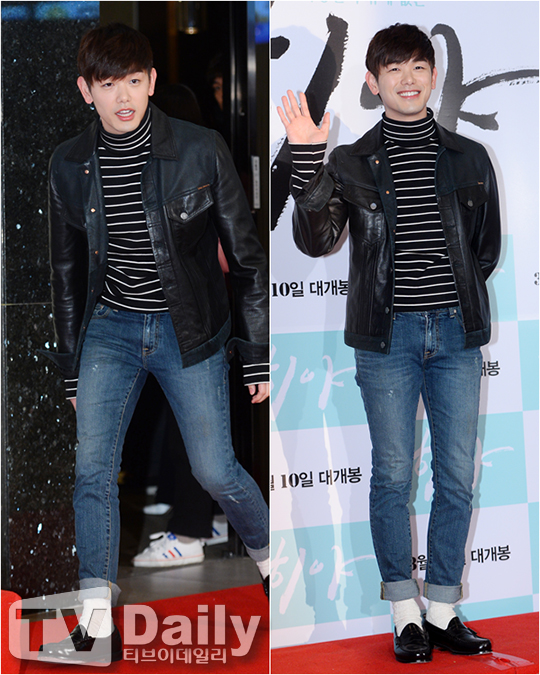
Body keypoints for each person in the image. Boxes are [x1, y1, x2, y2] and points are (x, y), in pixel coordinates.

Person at [39, 23, 269, 665]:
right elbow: (64, 275)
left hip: (187, 327)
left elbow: (247, 260)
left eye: (134, 82)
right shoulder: (67, 164)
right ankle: (95, 625)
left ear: (152, 82)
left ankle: (273, 563)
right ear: (86, 90)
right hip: (109, 329)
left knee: (214, 469)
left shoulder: (199, 148)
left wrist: (255, 354)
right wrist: (71, 370)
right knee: (92, 471)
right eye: (108, 84)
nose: (124, 97)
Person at [277, 23, 500, 664]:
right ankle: (404, 611)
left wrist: (450, 299)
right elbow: (316, 242)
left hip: (456, 333)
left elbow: (483, 251)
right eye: (394, 69)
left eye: (418, 67)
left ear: (432, 76)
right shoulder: (350, 161)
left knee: (456, 476)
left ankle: (443, 609)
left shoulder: (470, 157)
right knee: (393, 475)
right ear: (373, 83)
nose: (408, 79)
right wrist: (307, 164)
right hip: (387, 337)